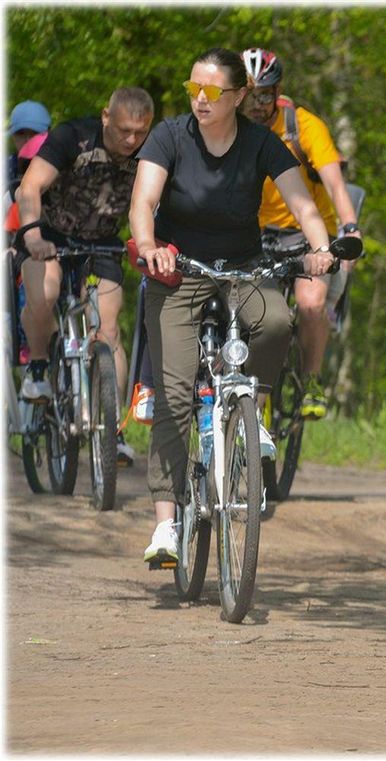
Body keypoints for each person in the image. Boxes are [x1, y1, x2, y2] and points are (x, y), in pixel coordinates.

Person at [130, 47, 335, 565]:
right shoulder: (170, 136)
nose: (201, 98)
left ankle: (251, 410)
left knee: (277, 320)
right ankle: (167, 524)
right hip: (177, 269)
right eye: (193, 88)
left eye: (214, 91)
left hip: (243, 266)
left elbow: (303, 202)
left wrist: (320, 248)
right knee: (174, 394)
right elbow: (142, 201)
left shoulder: (261, 142)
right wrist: (150, 244)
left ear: (239, 96)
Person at [14, 87, 154, 466]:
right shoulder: (71, 137)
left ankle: (113, 430)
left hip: (103, 243)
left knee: (108, 331)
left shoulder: (150, 151)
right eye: (124, 130)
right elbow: (30, 187)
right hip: (49, 235)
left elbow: (158, 202)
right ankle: (40, 367)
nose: (131, 140)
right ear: (105, 116)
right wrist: (32, 234)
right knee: (44, 292)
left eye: (140, 132)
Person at [240, 47, 362, 421]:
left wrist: (350, 229)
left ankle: (311, 380)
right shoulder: (227, 126)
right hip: (251, 232)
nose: (257, 105)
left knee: (311, 304)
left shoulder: (304, 126)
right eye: (249, 95)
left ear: (278, 92)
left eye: (265, 95)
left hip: (306, 230)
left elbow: (336, 184)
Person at [7, 100, 51, 190]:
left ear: (49, 134)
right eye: (20, 133)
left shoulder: (64, 169)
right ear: (12, 136)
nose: (28, 140)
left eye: (35, 133)